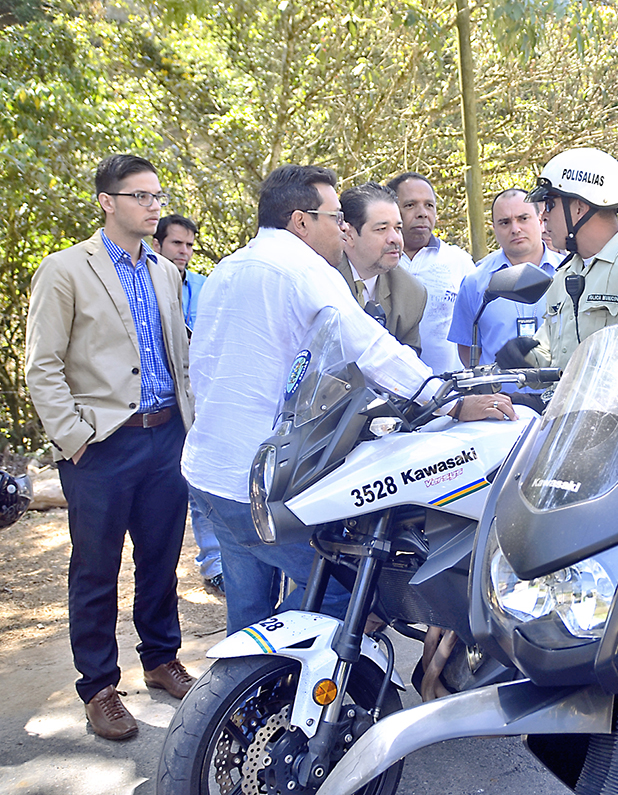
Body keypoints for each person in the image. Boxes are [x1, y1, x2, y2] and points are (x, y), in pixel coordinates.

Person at [183, 164, 514, 636]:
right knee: (341, 590)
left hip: (209, 472)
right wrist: (451, 402)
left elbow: (203, 366)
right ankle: (289, 674)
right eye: (335, 217)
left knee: (248, 607)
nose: (341, 228)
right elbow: (372, 348)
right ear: (301, 221)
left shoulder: (227, 268)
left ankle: (244, 681)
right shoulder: (302, 269)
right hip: (261, 481)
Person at [25, 154, 196, 741]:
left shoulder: (165, 271)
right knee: (96, 569)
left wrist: (189, 425)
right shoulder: (65, 269)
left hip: (166, 435)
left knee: (161, 560)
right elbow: (42, 365)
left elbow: (179, 356)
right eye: (140, 196)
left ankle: (160, 658)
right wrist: (74, 439)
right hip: (101, 445)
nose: (153, 205)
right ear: (107, 201)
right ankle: (98, 686)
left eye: (157, 196)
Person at [495, 147, 618, 371]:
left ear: (579, 207)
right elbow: (554, 358)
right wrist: (523, 357)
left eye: (549, 205)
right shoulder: (566, 275)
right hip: (567, 397)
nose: (543, 216)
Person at [151, 213, 224, 595]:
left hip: (201, 399)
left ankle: (214, 564)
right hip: (158, 405)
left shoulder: (203, 285)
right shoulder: (146, 285)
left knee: (200, 485)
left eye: (190, 245)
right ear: (157, 244)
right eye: (177, 243)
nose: (184, 251)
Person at [447, 188, 558, 370]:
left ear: (540, 221)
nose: (515, 229)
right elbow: (467, 348)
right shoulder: (475, 282)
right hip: (499, 388)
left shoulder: (567, 272)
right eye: (505, 222)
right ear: (494, 228)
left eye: (523, 218)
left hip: (558, 386)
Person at [386, 172, 475, 375]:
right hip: (387, 386)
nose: (422, 213)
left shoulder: (459, 262)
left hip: (448, 388)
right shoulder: (377, 260)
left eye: (429, 205)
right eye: (410, 205)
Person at [337, 182, 427, 355]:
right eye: (381, 229)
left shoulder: (412, 293)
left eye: (398, 228)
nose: (395, 239)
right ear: (348, 235)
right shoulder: (320, 276)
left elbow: (407, 363)